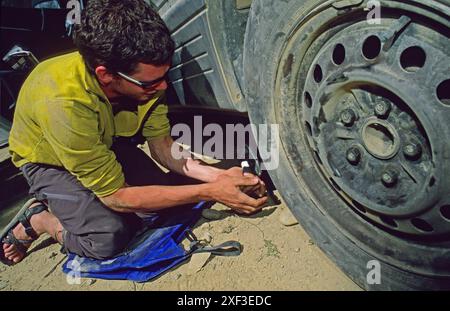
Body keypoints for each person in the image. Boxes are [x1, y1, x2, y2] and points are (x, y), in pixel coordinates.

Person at [1, 0, 267, 264]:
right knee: (108, 236)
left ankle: (75, 202)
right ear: (106, 75)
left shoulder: (143, 79)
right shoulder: (63, 104)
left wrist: (220, 177)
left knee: (164, 201)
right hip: (49, 163)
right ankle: (41, 218)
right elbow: (116, 197)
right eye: (151, 82)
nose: (163, 87)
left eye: (165, 75)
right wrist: (212, 191)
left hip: (102, 143)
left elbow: (163, 148)